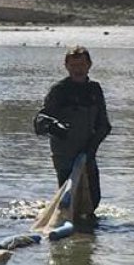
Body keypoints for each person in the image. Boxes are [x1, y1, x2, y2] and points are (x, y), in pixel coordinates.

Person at [33, 45, 112, 215]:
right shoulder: (59, 90)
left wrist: (91, 149)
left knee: (94, 200)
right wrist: (55, 126)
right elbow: (39, 121)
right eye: (74, 65)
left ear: (89, 65)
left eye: (82, 65)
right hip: (64, 155)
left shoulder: (94, 90)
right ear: (66, 66)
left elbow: (104, 125)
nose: (78, 69)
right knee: (69, 200)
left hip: (87, 153)